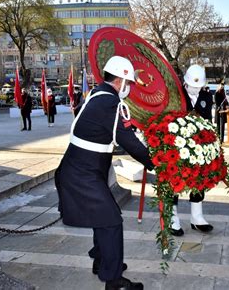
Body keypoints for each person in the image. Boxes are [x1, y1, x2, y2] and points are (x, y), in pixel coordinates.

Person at [55, 56, 152, 290]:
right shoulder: (109, 103)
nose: (129, 87)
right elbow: (128, 140)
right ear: (119, 81)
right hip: (82, 175)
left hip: (82, 171)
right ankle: (114, 280)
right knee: (111, 221)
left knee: (105, 216)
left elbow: (121, 128)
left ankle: (102, 261)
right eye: (128, 82)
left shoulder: (99, 95)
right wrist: (154, 161)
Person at [170, 64, 214, 237]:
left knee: (199, 181)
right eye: (193, 86)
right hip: (177, 146)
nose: (196, 90)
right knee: (175, 182)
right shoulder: (175, 94)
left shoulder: (206, 96)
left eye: (199, 86)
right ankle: (172, 218)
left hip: (199, 146)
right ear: (185, 83)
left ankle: (197, 217)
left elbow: (208, 119)